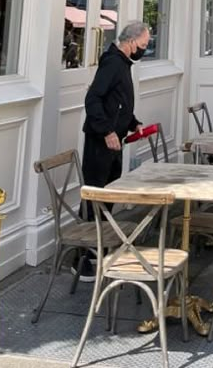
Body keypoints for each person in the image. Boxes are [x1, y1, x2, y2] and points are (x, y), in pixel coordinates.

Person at [78, 20, 149, 279]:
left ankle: (100, 249)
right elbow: (93, 99)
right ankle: (83, 258)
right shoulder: (113, 63)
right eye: (143, 45)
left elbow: (117, 101)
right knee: (96, 195)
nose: (144, 49)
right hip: (102, 142)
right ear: (130, 42)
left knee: (107, 195)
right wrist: (107, 131)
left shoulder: (122, 64)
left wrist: (132, 123)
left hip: (114, 139)